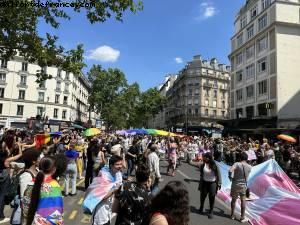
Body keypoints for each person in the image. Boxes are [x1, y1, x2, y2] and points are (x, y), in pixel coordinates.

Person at [26, 156, 65, 225]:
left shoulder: (32, 182)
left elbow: (26, 205)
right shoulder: (54, 185)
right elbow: (57, 208)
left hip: (34, 221)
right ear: (54, 169)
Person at [91, 155, 123, 225]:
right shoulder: (104, 177)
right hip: (101, 212)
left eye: (121, 164)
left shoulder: (118, 174)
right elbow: (101, 197)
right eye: (117, 164)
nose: (120, 166)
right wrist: (114, 189)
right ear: (111, 165)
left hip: (110, 211)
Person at [229, 152, 252, 223]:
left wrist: (230, 177)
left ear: (240, 158)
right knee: (243, 200)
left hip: (235, 184)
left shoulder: (237, 164)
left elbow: (230, 170)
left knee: (234, 200)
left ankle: (232, 215)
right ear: (246, 158)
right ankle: (242, 217)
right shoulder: (249, 167)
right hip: (243, 185)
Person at [198, 152, 222, 219]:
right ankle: (201, 207)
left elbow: (218, 174)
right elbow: (201, 174)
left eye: (205, 157)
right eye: (204, 157)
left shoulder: (214, 164)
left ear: (209, 158)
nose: (204, 158)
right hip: (204, 183)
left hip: (212, 183)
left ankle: (211, 211)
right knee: (203, 195)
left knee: (212, 197)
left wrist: (219, 183)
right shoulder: (203, 165)